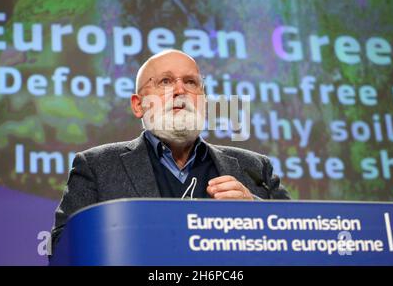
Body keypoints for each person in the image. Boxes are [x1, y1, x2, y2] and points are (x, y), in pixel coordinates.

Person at [51, 49, 290, 253]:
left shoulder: (255, 167)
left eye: (190, 82)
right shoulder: (97, 166)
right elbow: (62, 248)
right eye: (165, 82)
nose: (180, 90)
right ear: (138, 105)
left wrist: (255, 211)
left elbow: (299, 237)